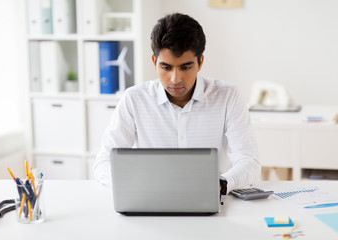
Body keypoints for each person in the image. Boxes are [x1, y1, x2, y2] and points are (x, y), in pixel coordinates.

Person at [94, 13, 260, 194]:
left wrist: (222, 184)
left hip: (208, 198)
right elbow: (104, 161)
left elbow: (249, 161)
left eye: (185, 67)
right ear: (154, 62)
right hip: (150, 197)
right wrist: (131, 186)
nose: (175, 79)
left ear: (200, 62)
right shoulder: (134, 99)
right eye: (166, 67)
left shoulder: (228, 96)